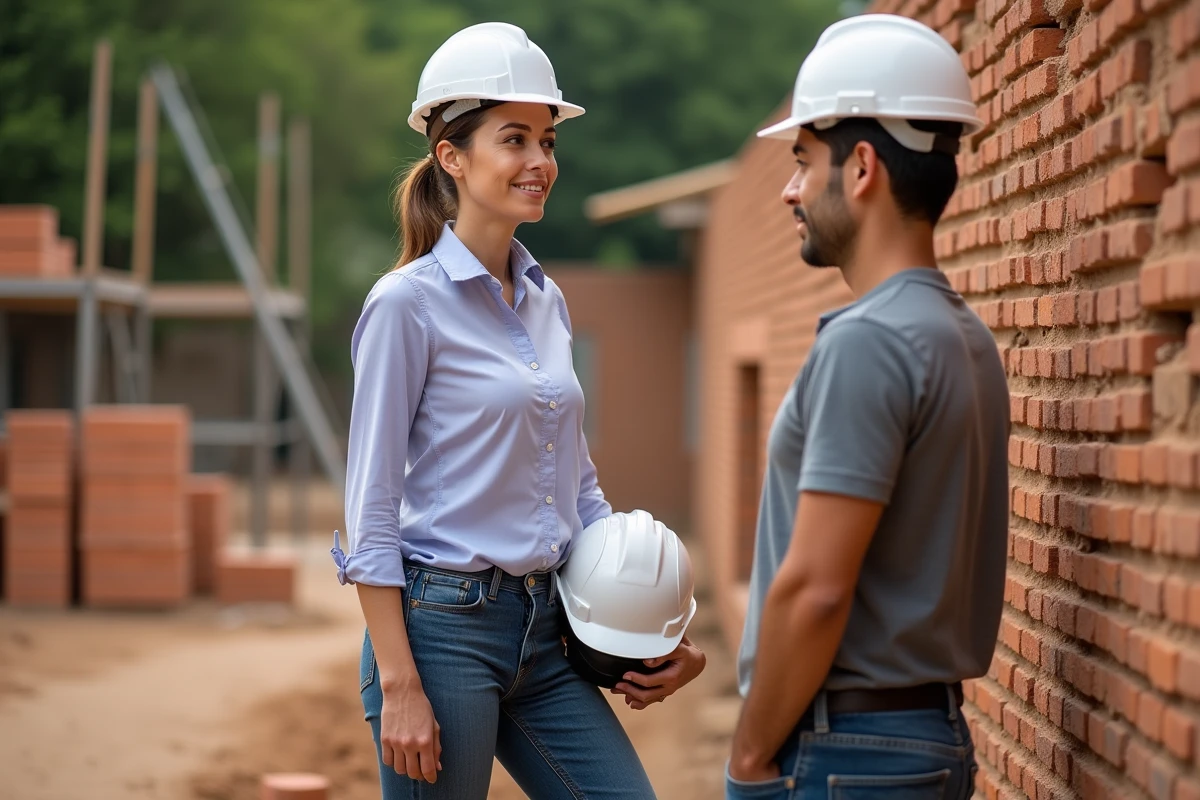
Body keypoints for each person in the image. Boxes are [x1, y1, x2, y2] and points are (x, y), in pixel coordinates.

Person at [331, 22, 705, 800]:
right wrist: (400, 683)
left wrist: (659, 625)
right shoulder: (407, 305)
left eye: (547, 140)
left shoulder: (545, 299)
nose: (540, 162)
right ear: (452, 156)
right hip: (440, 633)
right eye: (514, 140)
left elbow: (576, 488)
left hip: (546, 634)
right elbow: (370, 505)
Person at [725, 14, 1010, 800]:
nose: (788, 188)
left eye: (801, 161)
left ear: (859, 169)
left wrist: (750, 756)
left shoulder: (869, 342)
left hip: (846, 752)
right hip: (924, 740)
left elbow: (814, 586)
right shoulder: (964, 337)